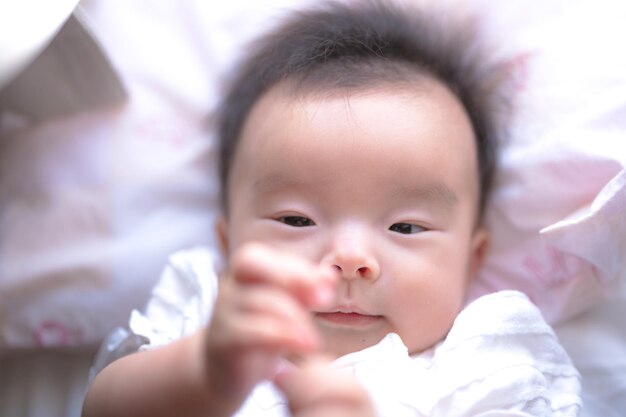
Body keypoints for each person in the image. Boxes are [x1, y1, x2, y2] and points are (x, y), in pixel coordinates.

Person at [83, 1, 581, 416]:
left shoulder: (483, 364)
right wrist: (208, 372)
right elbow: (101, 407)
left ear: (471, 260)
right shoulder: (208, 313)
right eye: (295, 220)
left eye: (405, 226)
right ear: (228, 243)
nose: (349, 257)